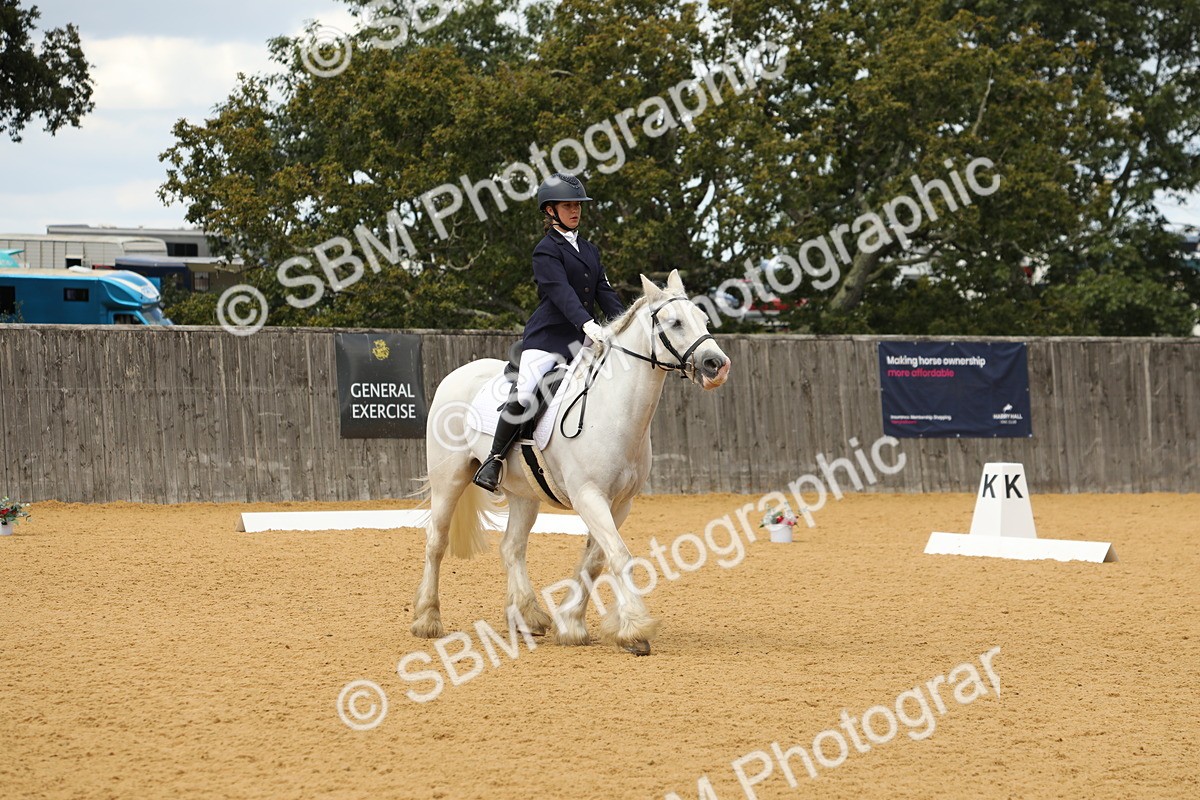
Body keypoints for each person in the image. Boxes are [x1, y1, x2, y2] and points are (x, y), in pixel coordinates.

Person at [472, 172, 626, 492]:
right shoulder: (545, 250)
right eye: (568, 205)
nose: (575, 210)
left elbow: (605, 294)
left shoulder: (590, 251)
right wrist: (588, 324)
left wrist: (624, 324)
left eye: (578, 205)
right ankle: (494, 459)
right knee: (526, 391)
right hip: (548, 339)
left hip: (584, 339)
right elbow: (561, 293)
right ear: (550, 211)